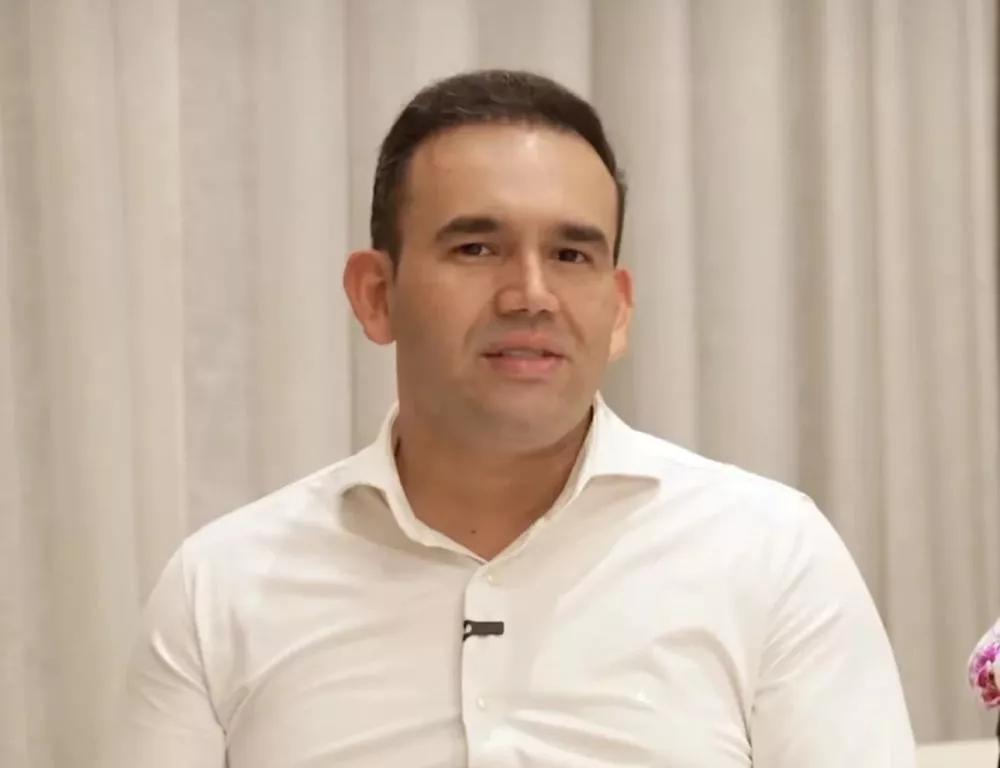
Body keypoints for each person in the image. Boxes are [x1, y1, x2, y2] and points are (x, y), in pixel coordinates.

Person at [110, 69, 916, 767]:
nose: (530, 294)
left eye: (571, 255)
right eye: (476, 248)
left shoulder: (769, 555)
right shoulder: (222, 588)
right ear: (377, 295)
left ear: (619, 309)